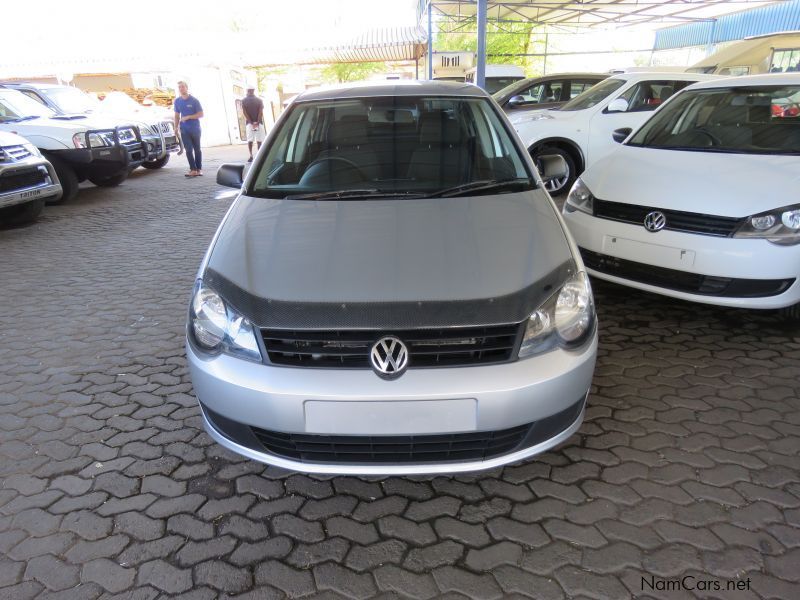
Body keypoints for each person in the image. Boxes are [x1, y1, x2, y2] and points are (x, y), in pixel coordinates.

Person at [174, 81, 204, 177]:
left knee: (197, 149)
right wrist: (175, 127)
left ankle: (199, 169)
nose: (181, 88)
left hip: (195, 129)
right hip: (184, 130)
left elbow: (201, 114)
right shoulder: (177, 101)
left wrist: (189, 117)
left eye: (183, 87)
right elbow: (176, 115)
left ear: (187, 88)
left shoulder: (194, 100)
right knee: (188, 150)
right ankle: (193, 169)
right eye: (179, 87)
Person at [241, 87, 266, 162]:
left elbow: (245, 113)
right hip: (259, 123)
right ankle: (259, 156)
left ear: (247, 91)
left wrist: (251, 122)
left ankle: (251, 156)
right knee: (259, 140)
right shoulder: (259, 100)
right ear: (253, 91)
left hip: (249, 124)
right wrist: (257, 122)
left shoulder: (243, 101)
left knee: (250, 140)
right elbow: (260, 112)